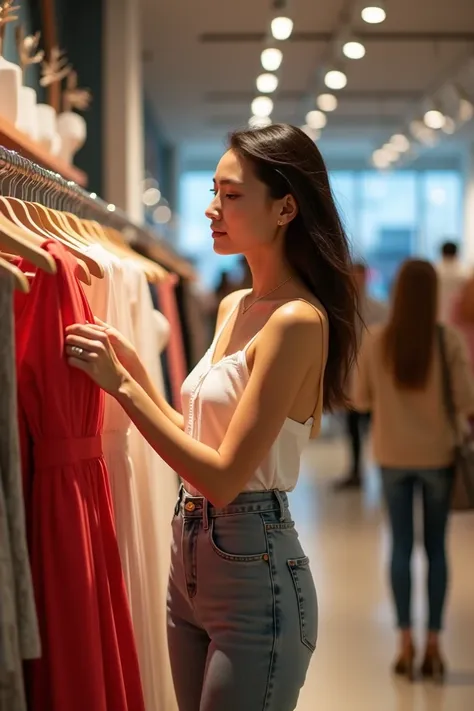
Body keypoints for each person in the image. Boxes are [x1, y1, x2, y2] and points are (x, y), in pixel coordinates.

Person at [64, 123, 358, 711]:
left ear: (285, 209)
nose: (212, 209)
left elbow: (225, 478)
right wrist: (138, 374)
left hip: (254, 566)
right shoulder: (234, 305)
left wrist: (124, 388)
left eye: (231, 195)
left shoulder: (297, 322)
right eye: (213, 192)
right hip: (191, 558)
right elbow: (199, 435)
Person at [353, 259, 474, 682]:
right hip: (438, 458)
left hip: (392, 456)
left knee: (401, 548)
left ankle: (405, 642)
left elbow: (361, 400)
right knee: (436, 550)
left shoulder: (378, 342)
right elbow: (466, 401)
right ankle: (436, 646)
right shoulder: (448, 342)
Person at [336, 262, 388, 489]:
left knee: (378, 428)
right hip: (350, 376)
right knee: (353, 428)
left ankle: (384, 469)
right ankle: (356, 472)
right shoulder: (341, 308)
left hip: (374, 378)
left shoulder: (379, 307)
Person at [436, 240, 468, 324]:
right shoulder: (465, 273)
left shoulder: (435, 272)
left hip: (437, 317)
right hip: (458, 320)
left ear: (442, 253)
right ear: (457, 253)